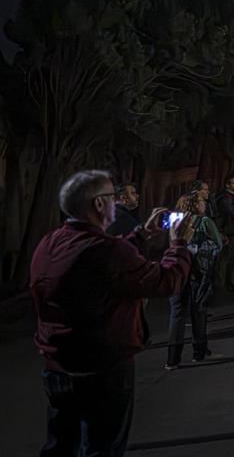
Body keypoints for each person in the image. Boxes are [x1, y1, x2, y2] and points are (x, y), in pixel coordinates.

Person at [31, 169, 193, 456]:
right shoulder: (108, 251)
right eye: (111, 199)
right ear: (97, 204)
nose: (116, 205)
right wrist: (178, 245)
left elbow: (100, 267)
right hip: (102, 369)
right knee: (103, 447)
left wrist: (142, 234)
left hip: (58, 364)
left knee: (60, 445)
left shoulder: (50, 242)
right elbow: (166, 281)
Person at [165, 193, 224, 368]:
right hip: (197, 273)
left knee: (177, 314)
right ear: (194, 205)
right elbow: (218, 244)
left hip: (176, 271)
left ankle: (172, 359)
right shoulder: (204, 222)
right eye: (201, 201)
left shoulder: (173, 219)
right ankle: (199, 353)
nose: (204, 204)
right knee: (198, 311)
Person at [213, 177, 234, 292]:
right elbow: (232, 212)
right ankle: (222, 284)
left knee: (233, 259)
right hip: (229, 232)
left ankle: (229, 282)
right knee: (227, 259)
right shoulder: (224, 199)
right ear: (227, 185)